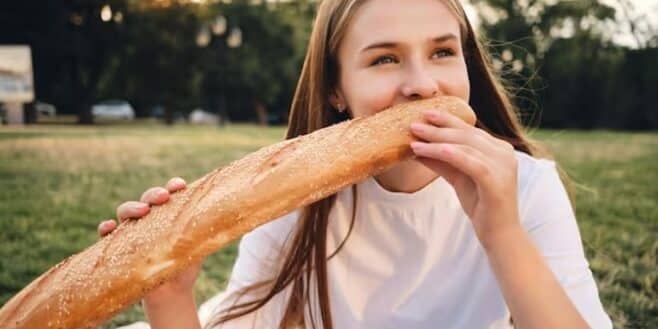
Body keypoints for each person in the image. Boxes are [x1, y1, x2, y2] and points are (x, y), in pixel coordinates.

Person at [100, 0, 612, 328]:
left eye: (442, 52)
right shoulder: (292, 199)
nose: (422, 84)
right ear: (336, 90)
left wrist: (502, 233)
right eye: (385, 59)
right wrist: (169, 300)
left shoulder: (526, 186)